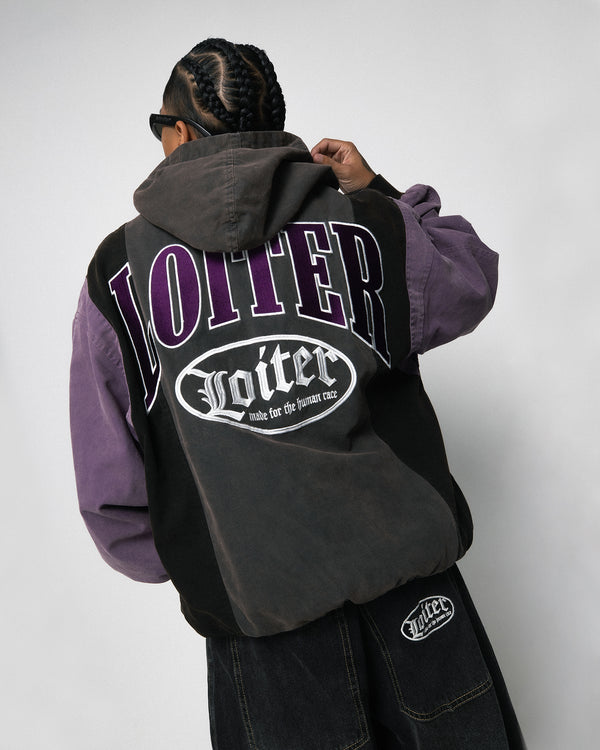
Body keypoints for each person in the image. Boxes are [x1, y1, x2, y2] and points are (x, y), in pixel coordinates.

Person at [70, 38, 525, 749]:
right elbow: (469, 279)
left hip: (262, 629)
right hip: (415, 599)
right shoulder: (362, 223)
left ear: (180, 132)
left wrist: (215, 561)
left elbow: (110, 490)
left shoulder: (117, 272)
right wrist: (376, 191)